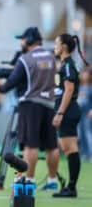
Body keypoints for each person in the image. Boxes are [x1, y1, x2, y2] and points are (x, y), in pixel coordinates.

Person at [0, 27, 60, 190]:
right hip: (50, 104)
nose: (22, 43)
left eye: (23, 39)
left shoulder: (25, 58)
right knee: (51, 146)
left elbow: (12, 82)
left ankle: (30, 180)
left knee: (30, 145)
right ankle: (52, 180)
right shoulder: (52, 56)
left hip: (30, 105)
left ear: (30, 39)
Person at [52, 34, 89, 197]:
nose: (55, 47)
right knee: (68, 149)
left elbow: (69, 90)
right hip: (67, 110)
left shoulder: (67, 65)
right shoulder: (65, 64)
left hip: (67, 111)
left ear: (64, 47)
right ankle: (70, 186)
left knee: (70, 148)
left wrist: (60, 112)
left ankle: (72, 187)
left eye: (56, 43)